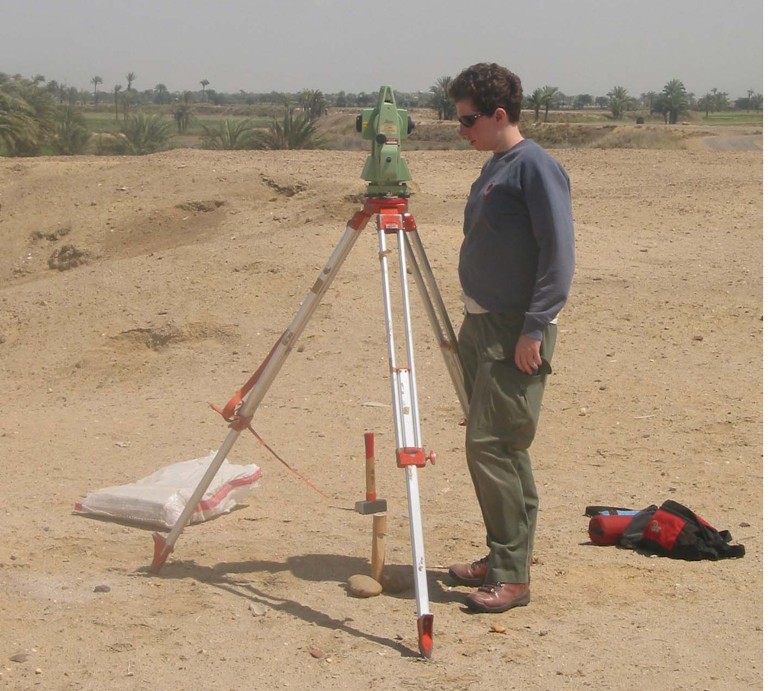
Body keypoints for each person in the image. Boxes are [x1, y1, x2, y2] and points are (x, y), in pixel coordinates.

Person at [446, 63, 575, 613]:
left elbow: (558, 254)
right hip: (483, 324)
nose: (462, 131)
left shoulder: (535, 167)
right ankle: (506, 555)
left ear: (501, 115)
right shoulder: (497, 164)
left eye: (469, 119)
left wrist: (534, 328)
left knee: (490, 446)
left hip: (514, 329)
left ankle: (511, 576)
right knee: (503, 445)